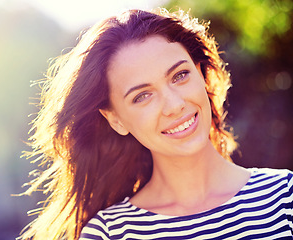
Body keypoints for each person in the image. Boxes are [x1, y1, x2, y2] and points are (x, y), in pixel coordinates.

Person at [19, 8, 293, 240]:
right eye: (142, 96)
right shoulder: (108, 233)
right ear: (116, 119)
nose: (174, 105)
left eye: (180, 75)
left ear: (201, 75)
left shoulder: (284, 198)